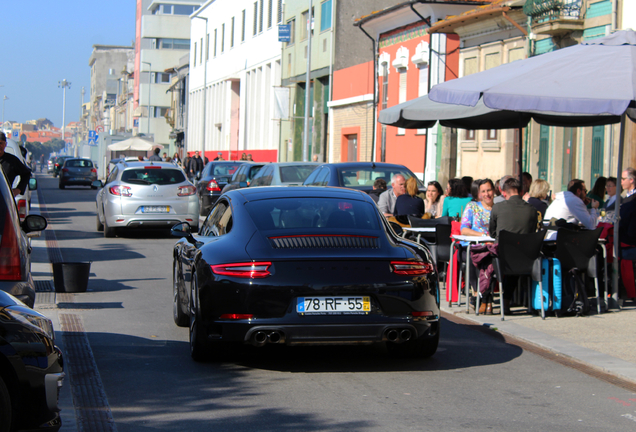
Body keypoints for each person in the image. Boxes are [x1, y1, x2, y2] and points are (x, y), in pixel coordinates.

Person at [488, 177, 538, 314]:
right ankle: (508, 299)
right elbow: (532, 232)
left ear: (503, 192)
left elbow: (492, 232)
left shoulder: (497, 207)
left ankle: (486, 300)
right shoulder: (532, 210)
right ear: (522, 192)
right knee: (514, 254)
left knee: (484, 256)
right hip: (526, 259)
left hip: (502, 259)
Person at [460, 179, 495, 313]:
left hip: (491, 247)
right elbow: (464, 229)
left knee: (491, 258)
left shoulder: (498, 209)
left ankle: (484, 296)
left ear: (494, 191)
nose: (487, 194)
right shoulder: (472, 206)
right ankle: (479, 294)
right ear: (479, 193)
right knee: (475, 255)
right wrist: (481, 236)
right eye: (483, 191)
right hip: (473, 245)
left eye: (489, 190)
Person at [0, 132, 31, 197]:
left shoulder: (12, 161)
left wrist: (18, 189)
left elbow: (27, 173)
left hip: (5, 201)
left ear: (5, 144)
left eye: (0, 143)